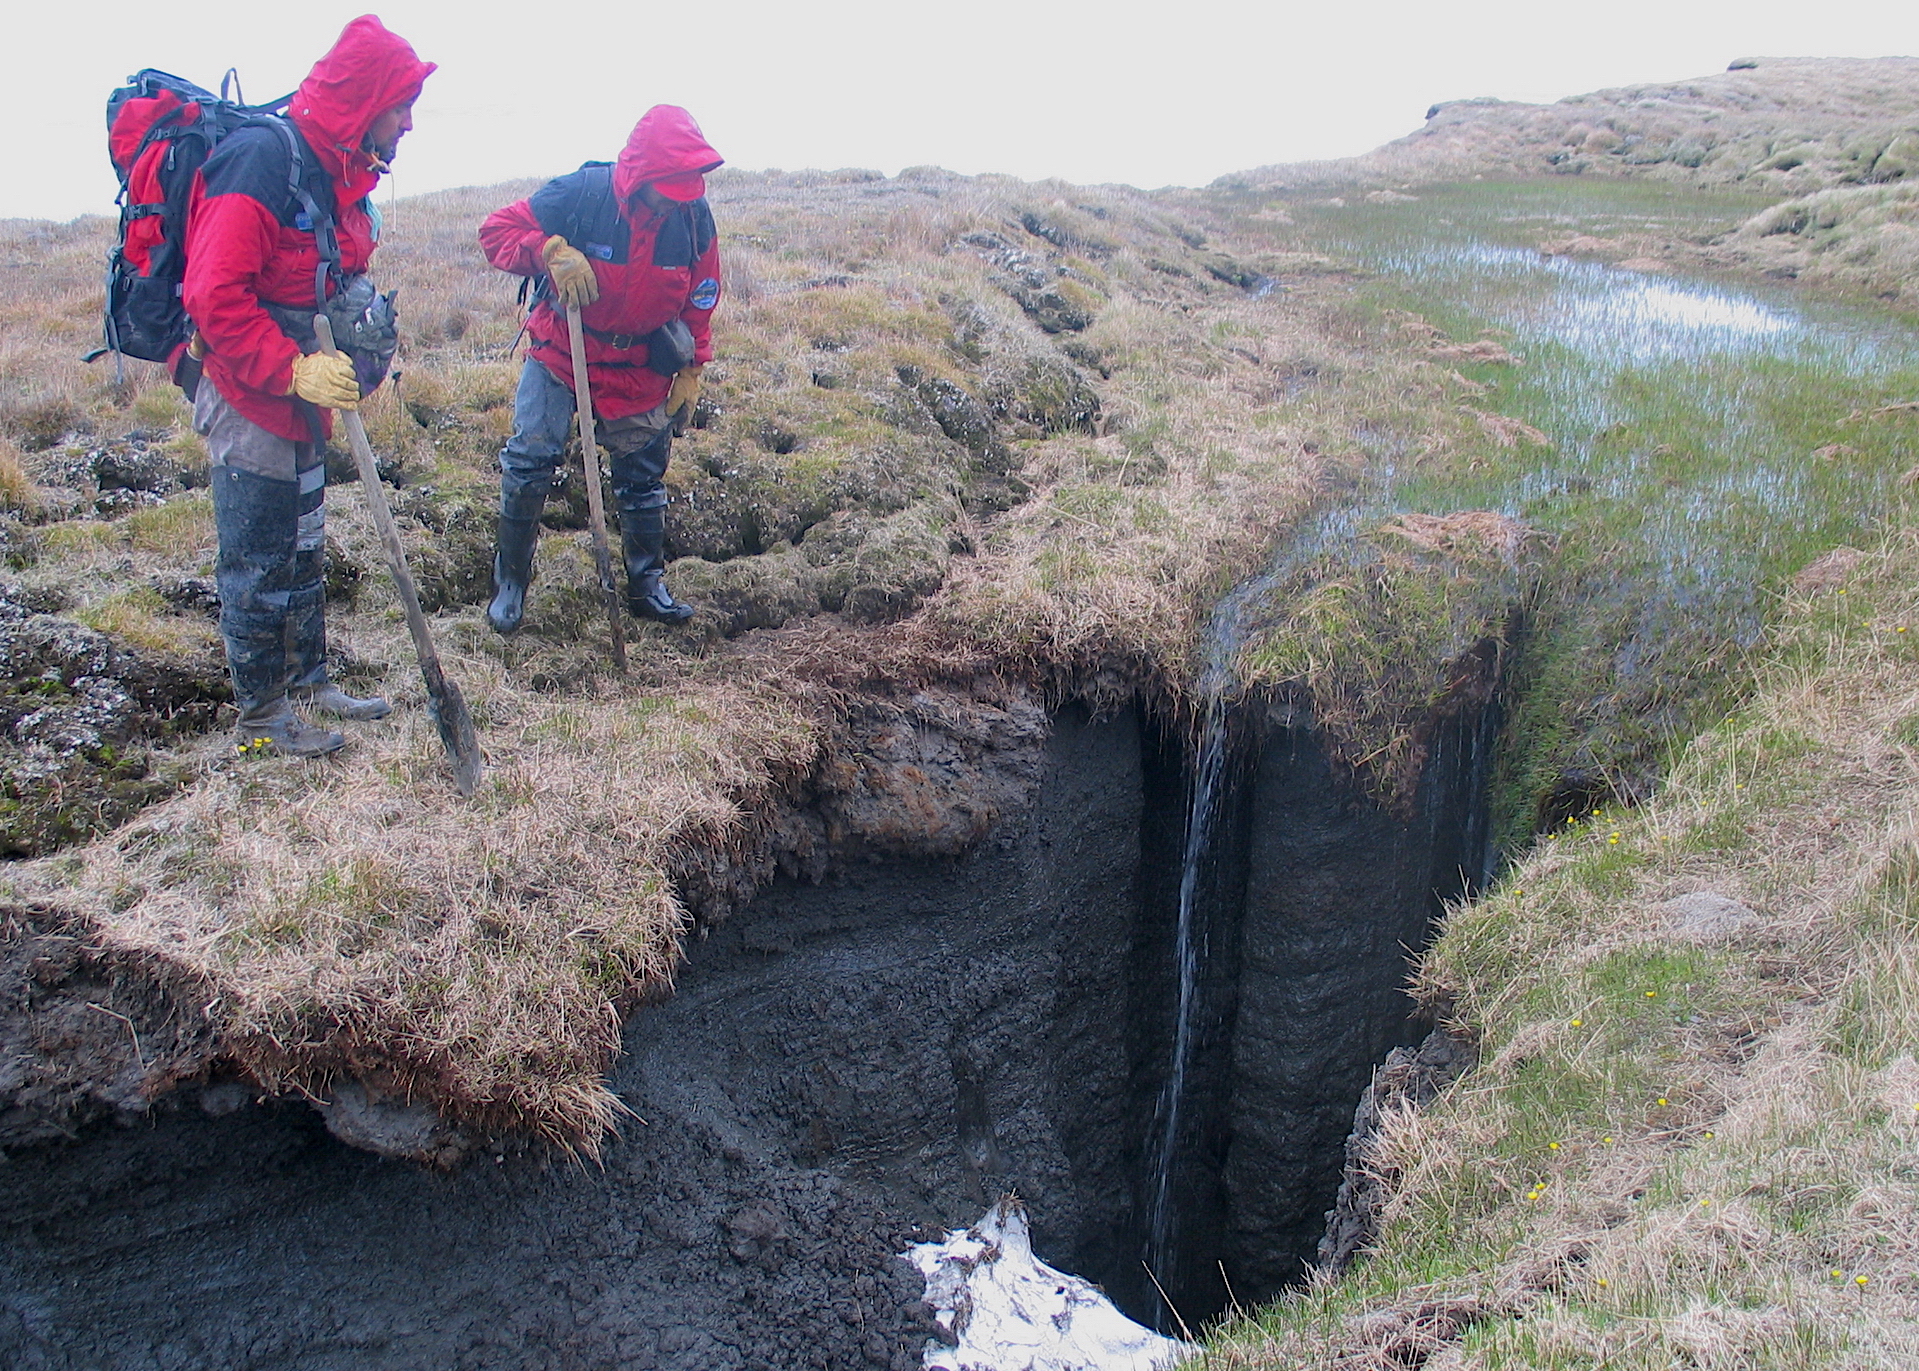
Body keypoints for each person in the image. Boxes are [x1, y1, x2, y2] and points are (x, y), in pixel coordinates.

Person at [182, 14, 434, 756]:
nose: (409, 123)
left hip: (306, 393)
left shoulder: (341, 174)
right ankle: (262, 715)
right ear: (364, 102)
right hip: (247, 387)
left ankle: (310, 679)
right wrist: (289, 367)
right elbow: (212, 293)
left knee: (302, 541)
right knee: (258, 551)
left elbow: (336, 270)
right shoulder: (263, 162)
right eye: (400, 105)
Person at [478, 105, 723, 634]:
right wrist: (547, 250)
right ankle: (510, 583)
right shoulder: (581, 194)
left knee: (642, 476)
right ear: (644, 174)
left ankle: (646, 584)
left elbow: (702, 295)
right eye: (669, 185)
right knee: (531, 457)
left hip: (640, 363)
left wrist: (693, 367)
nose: (679, 196)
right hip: (563, 351)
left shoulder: (692, 216)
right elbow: (496, 232)